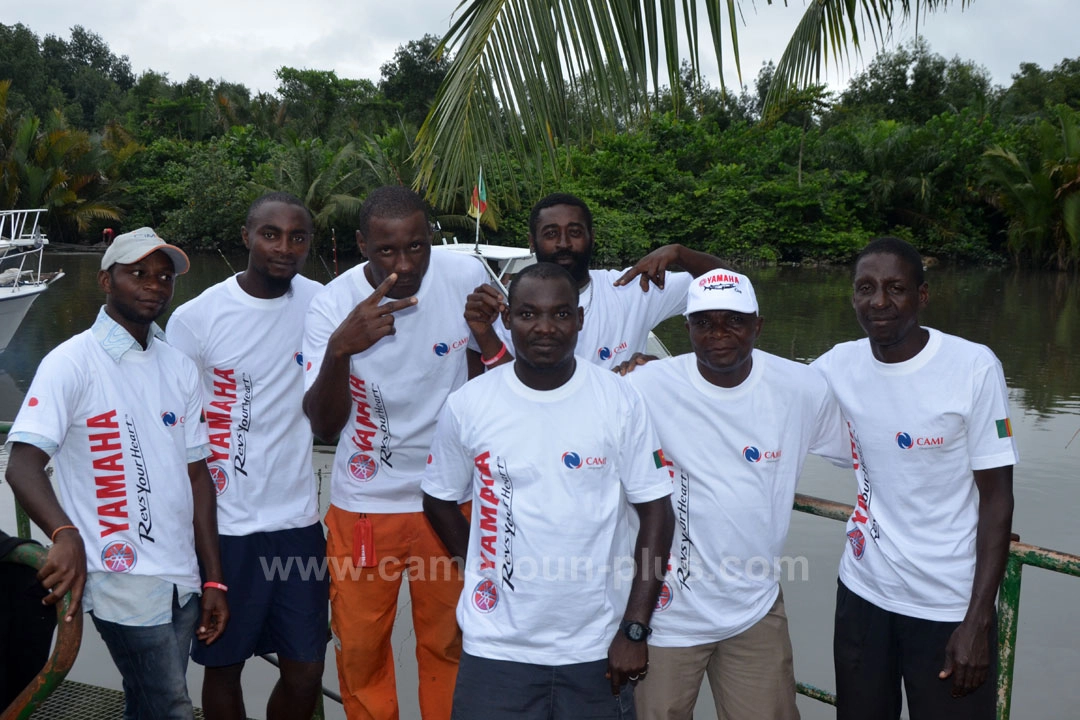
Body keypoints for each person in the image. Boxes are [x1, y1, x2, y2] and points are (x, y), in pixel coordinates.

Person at [422, 262, 675, 719]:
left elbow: (657, 512)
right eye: (527, 314)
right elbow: (438, 498)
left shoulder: (618, 399)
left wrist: (634, 629)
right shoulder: (469, 404)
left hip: (596, 651)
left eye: (560, 315)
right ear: (507, 320)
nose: (544, 327)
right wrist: (480, 566)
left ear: (579, 320)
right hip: (496, 652)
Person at [4, 227, 228, 719]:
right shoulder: (71, 362)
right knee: (169, 705)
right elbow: (22, 465)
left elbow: (198, 477)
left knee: (147, 704)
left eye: (164, 276)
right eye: (138, 274)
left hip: (180, 576)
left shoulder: (179, 367)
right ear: (106, 280)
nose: (154, 285)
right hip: (118, 575)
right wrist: (63, 534)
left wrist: (214, 579)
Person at [622, 269, 849, 720]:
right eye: (704, 322)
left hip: (754, 608)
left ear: (757, 326)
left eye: (734, 321)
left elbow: (867, 454)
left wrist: (963, 507)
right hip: (664, 613)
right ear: (685, 328)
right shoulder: (643, 386)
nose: (719, 334)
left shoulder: (800, 388)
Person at [302, 185, 490, 720]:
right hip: (366, 502)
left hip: (450, 501)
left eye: (417, 246)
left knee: (450, 644)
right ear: (363, 243)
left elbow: (495, 369)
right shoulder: (332, 305)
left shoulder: (465, 276)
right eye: (387, 250)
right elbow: (323, 422)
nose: (405, 264)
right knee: (360, 649)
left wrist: (490, 329)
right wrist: (341, 350)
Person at [812, 237, 1018, 720]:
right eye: (865, 288)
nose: (878, 302)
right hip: (863, 593)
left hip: (948, 606)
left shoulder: (972, 367)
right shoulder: (837, 364)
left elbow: (998, 498)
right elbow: (756, 382)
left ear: (922, 296)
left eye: (895, 288)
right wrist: (661, 374)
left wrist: (978, 621)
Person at [167, 192, 326, 720]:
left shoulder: (321, 304)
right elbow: (176, 430)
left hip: (298, 520)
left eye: (297, 237)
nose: (284, 247)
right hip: (227, 527)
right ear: (246, 236)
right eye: (271, 234)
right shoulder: (197, 318)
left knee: (306, 668)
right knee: (224, 664)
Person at [466, 192, 725, 370]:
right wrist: (484, 332)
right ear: (532, 242)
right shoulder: (506, 306)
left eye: (575, 232)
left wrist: (681, 254)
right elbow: (501, 384)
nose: (564, 243)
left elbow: (733, 287)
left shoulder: (634, 288)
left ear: (592, 237)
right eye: (551, 233)